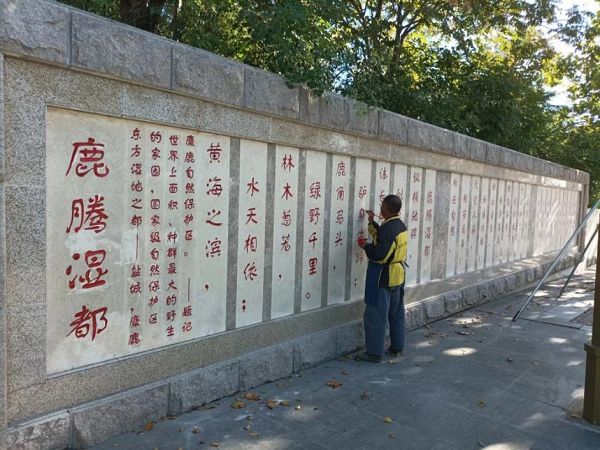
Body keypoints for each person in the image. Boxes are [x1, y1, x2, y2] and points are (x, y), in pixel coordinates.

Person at [357, 194, 408, 362]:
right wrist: (372, 223)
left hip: (383, 277)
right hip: (397, 276)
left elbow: (380, 254)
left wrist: (366, 247)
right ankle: (397, 347)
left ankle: (374, 353)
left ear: (387, 209)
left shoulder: (389, 229)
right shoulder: (399, 225)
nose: (380, 208)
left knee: (376, 316)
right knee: (396, 313)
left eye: (382, 206)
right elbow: (384, 240)